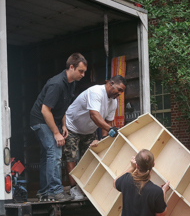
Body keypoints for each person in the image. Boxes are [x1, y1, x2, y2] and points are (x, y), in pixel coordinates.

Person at [29, 53, 87, 202]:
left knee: (47, 155)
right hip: (40, 120)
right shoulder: (57, 84)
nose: (83, 74)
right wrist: (56, 133)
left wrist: (63, 125)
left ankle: (43, 192)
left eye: (84, 71)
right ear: (71, 67)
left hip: (51, 120)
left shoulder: (71, 83)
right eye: (81, 71)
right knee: (54, 152)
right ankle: (55, 191)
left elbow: (62, 107)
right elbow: (45, 110)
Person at [64, 75, 126, 200]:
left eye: (121, 92)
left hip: (89, 131)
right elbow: (94, 115)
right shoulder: (96, 92)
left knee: (90, 159)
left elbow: (107, 123)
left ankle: (85, 187)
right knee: (72, 157)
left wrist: (104, 139)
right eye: (119, 89)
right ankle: (73, 189)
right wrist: (110, 129)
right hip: (72, 127)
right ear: (111, 83)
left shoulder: (113, 103)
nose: (119, 93)